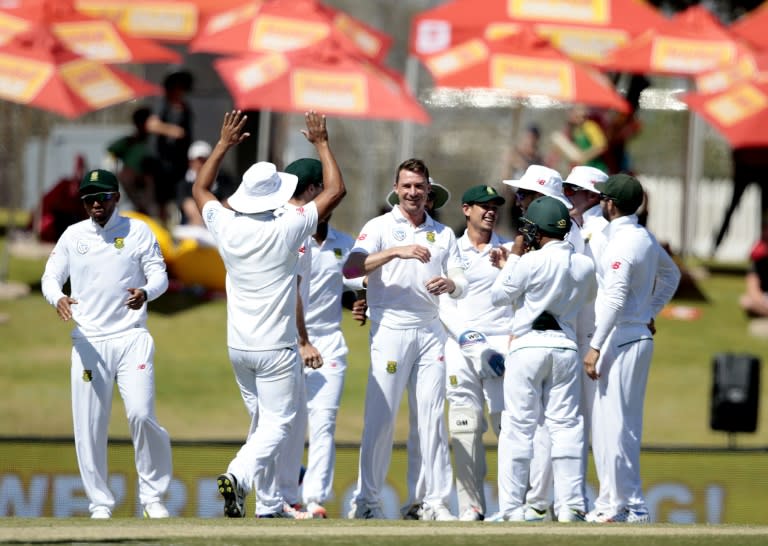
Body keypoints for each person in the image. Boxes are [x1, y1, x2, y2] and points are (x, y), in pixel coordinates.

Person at [194, 110, 346, 518]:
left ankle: (267, 504)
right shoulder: (290, 226)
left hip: (237, 347)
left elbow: (201, 189)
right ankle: (237, 477)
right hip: (276, 348)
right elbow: (335, 191)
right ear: (276, 195)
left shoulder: (225, 224)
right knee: (279, 424)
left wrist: (223, 144)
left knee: (262, 425)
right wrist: (321, 143)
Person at [41, 168, 172, 519]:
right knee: (89, 425)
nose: (96, 204)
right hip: (89, 342)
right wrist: (58, 298)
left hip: (131, 337)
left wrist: (146, 292)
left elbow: (159, 274)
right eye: (89, 199)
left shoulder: (138, 230)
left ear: (116, 198)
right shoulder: (73, 235)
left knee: (142, 414)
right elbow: (51, 277)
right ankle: (100, 503)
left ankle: (153, 498)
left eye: (102, 197)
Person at [343, 159, 466, 521]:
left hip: (430, 330)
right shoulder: (379, 226)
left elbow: (461, 277)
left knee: (431, 419)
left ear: (429, 191)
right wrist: (396, 251)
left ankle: (434, 502)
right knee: (381, 419)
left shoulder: (443, 234)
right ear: (396, 189)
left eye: (420, 186)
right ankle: (366, 502)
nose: (413, 192)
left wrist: (452, 284)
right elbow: (350, 270)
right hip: (391, 329)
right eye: (407, 186)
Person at [489, 196, 597, 522]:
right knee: (565, 427)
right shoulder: (584, 264)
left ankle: (511, 509)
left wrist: (515, 257)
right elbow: (588, 295)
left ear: (537, 229)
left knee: (518, 429)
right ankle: (570, 506)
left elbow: (498, 296)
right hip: (565, 348)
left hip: (528, 346)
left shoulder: (528, 261)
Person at [584, 174, 681, 523]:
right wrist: (650, 311)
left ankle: (628, 505)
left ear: (611, 203)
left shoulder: (626, 243)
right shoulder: (642, 236)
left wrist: (594, 346)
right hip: (634, 333)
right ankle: (615, 501)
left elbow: (615, 296)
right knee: (616, 426)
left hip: (622, 337)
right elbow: (672, 276)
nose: (599, 202)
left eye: (602, 198)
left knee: (617, 426)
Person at [439, 184, 512, 521]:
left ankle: (514, 505)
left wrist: (509, 268)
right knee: (464, 427)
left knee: (507, 424)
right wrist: (472, 343)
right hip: (460, 346)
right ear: (466, 209)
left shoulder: (511, 252)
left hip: (502, 348)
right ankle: (471, 508)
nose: (490, 210)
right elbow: (442, 306)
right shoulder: (449, 251)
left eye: (495, 205)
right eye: (483, 205)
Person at [107, 105, 184, 218]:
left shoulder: (156, 139)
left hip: (154, 189)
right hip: (132, 191)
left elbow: (179, 133)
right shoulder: (130, 142)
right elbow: (111, 153)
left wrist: (159, 127)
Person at [155, 69, 194, 222]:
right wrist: (172, 130)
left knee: (181, 196)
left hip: (181, 162)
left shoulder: (185, 108)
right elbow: (152, 124)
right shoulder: (162, 105)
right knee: (162, 201)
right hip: (163, 162)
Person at [176, 140, 237, 227]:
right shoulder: (183, 183)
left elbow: (228, 202)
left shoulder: (224, 179)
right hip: (193, 228)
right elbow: (188, 206)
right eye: (199, 160)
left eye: (205, 160)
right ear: (191, 162)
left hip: (219, 225)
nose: (201, 164)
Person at [32, 155, 88, 243]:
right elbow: (47, 203)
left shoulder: (83, 189)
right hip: (59, 220)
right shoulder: (64, 185)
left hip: (73, 219)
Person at [549, 105, 609, 174]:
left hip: (596, 169)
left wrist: (583, 157)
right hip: (582, 170)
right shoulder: (574, 129)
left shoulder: (590, 126)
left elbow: (601, 146)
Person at [740, 216, 768, 318]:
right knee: (746, 301)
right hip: (764, 299)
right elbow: (753, 289)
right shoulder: (759, 261)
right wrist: (760, 302)